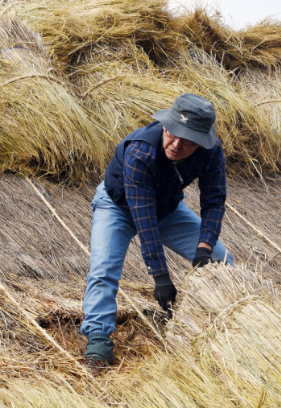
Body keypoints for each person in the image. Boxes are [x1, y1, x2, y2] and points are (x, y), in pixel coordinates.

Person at [80, 93, 233, 373]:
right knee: (103, 269)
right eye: (172, 134)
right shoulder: (142, 150)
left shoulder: (212, 153)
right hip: (119, 205)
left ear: (201, 142)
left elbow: (214, 201)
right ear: (165, 125)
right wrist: (161, 277)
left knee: (223, 262)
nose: (175, 145)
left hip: (168, 208)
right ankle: (99, 340)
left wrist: (204, 247)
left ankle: (220, 325)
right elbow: (144, 218)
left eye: (186, 141)